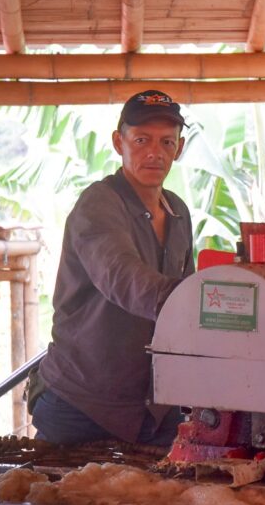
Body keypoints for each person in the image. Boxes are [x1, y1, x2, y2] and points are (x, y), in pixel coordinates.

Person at [29, 90, 195, 447]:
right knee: (53, 498)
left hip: (154, 409)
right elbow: (121, 277)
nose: (155, 152)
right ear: (119, 142)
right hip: (81, 405)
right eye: (141, 140)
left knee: (166, 500)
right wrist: (204, 305)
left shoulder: (179, 212)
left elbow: (187, 298)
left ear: (179, 149)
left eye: (167, 142)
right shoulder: (99, 203)